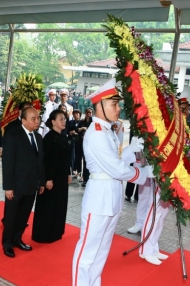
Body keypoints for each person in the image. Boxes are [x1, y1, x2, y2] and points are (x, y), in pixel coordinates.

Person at [72, 81, 154, 285]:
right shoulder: (97, 133)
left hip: (111, 197)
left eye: (118, 105)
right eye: (114, 105)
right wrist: (144, 173)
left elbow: (115, 159)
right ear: (99, 106)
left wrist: (132, 150)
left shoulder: (108, 130)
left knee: (102, 250)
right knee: (88, 252)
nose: (118, 109)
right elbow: (116, 168)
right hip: (99, 198)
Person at [2, 107, 45, 258]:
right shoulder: (13, 136)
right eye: (33, 119)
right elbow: (7, 164)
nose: (37, 121)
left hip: (31, 185)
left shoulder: (38, 137)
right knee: (12, 216)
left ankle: (17, 238)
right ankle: (7, 243)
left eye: (38, 118)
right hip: (16, 185)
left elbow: (40, 162)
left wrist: (41, 182)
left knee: (24, 215)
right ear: (24, 120)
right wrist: (8, 187)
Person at [32, 109, 71, 243]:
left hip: (61, 177)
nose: (63, 121)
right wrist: (47, 179)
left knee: (59, 204)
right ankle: (44, 234)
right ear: (53, 122)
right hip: (51, 178)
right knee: (48, 206)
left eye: (64, 119)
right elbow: (45, 161)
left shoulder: (64, 136)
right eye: (60, 119)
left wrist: (68, 173)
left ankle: (56, 231)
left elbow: (67, 158)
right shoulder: (48, 138)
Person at [78, 107, 93, 186]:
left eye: (90, 113)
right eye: (87, 112)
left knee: (90, 161)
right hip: (83, 143)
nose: (88, 114)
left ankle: (90, 178)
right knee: (84, 161)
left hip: (91, 145)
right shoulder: (82, 122)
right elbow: (77, 130)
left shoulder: (93, 122)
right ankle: (85, 178)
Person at [68, 109, 82, 178]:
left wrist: (77, 133)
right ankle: (73, 169)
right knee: (72, 155)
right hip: (71, 141)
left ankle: (79, 171)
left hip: (79, 141)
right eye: (74, 114)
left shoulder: (82, 122)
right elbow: (67, 130)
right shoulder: (70, 122)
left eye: (77, 114)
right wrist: (70, 132)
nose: (76, 115)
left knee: (78, 156)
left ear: (80, 115)